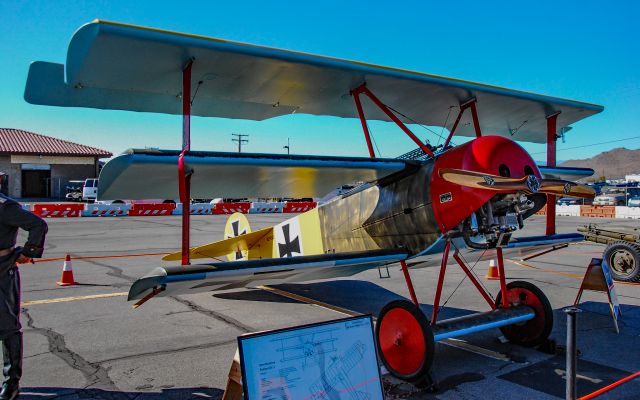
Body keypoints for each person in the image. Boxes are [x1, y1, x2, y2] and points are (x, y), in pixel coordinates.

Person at [0, 182, 48, 400]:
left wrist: (28, 252)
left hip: (1, 272)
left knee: (8, 327)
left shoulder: (5, 207)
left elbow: (38, 225)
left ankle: (11, 383)